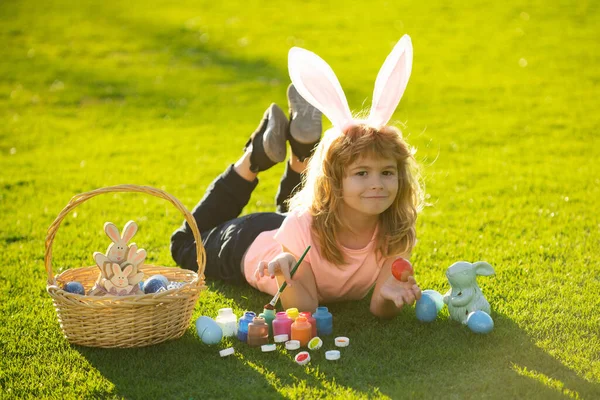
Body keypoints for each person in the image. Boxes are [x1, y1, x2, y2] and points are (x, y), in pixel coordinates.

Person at [171, 35, 424, 318]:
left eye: (387, 172)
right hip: (246, 243)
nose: (377, 183)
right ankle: (255, 157)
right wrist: (286, 272)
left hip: (288, 224)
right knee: (184, 245)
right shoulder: (304, 228)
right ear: (334, 182)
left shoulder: (395, 229)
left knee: (292, 217)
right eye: (362, 173)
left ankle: (302, 151)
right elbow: (304, 307)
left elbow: (379, 306)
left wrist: (390, 297)